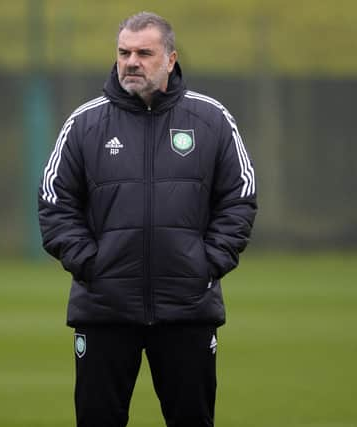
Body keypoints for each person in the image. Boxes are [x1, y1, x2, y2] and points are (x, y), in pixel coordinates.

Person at [38, 11, 257, 427]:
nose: (131, 62)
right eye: (123, 52)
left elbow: (240, 196)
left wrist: (205, 265)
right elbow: (54, 201)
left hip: (187, 308)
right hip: (105, 308)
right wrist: (91, 265)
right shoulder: (85, 123)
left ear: (170, 60)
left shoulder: (210, 120)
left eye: (143, 53)